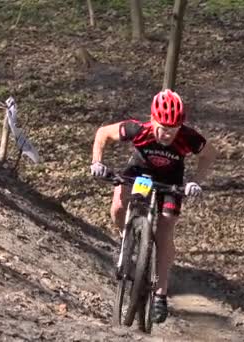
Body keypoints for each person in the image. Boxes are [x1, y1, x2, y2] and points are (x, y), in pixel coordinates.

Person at [90, 89, 218, 323]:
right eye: (162, 127)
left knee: (165, 228)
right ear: (152, 120)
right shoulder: (138, 129)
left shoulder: (188, 137)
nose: (167, 134)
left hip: (170, 181)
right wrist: (97, 162)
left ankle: (161, 293)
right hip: (139, 173)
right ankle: (126, 236)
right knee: (119, 205)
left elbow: (209, 154)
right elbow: (102, 133)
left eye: (173, 129)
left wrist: (195, 182)